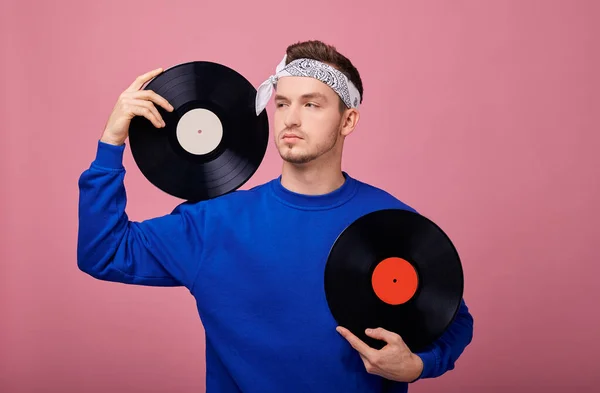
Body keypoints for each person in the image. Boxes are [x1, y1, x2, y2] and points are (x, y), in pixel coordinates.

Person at [77, 40, 474, 393]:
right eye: (281, 103)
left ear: (348, 120)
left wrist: (420, 365)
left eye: (312, 104)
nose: (290, 118)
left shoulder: (391, 221)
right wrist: (110, 142)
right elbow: (104, 252)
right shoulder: (215, 223)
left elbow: (450, 316)